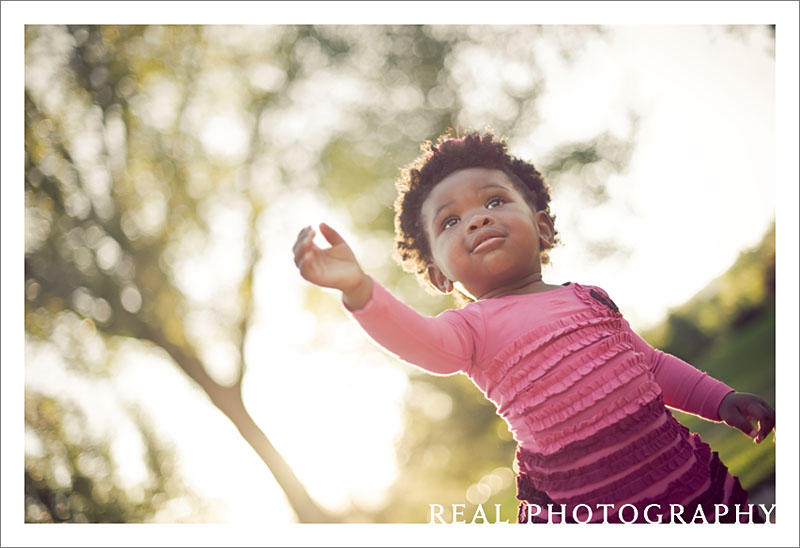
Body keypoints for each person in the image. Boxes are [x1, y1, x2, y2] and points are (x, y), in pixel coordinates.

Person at [292, 131, 775, 523]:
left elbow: (650, 365)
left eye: (495, 202)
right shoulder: (471, 329)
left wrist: (720, 399)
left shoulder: (588, 298)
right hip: (591, 510)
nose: (478, 219)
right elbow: (424, 344)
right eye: (451, 220)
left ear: (541, 226)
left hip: (683, 478)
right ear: (440, 275)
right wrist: (359, 289)